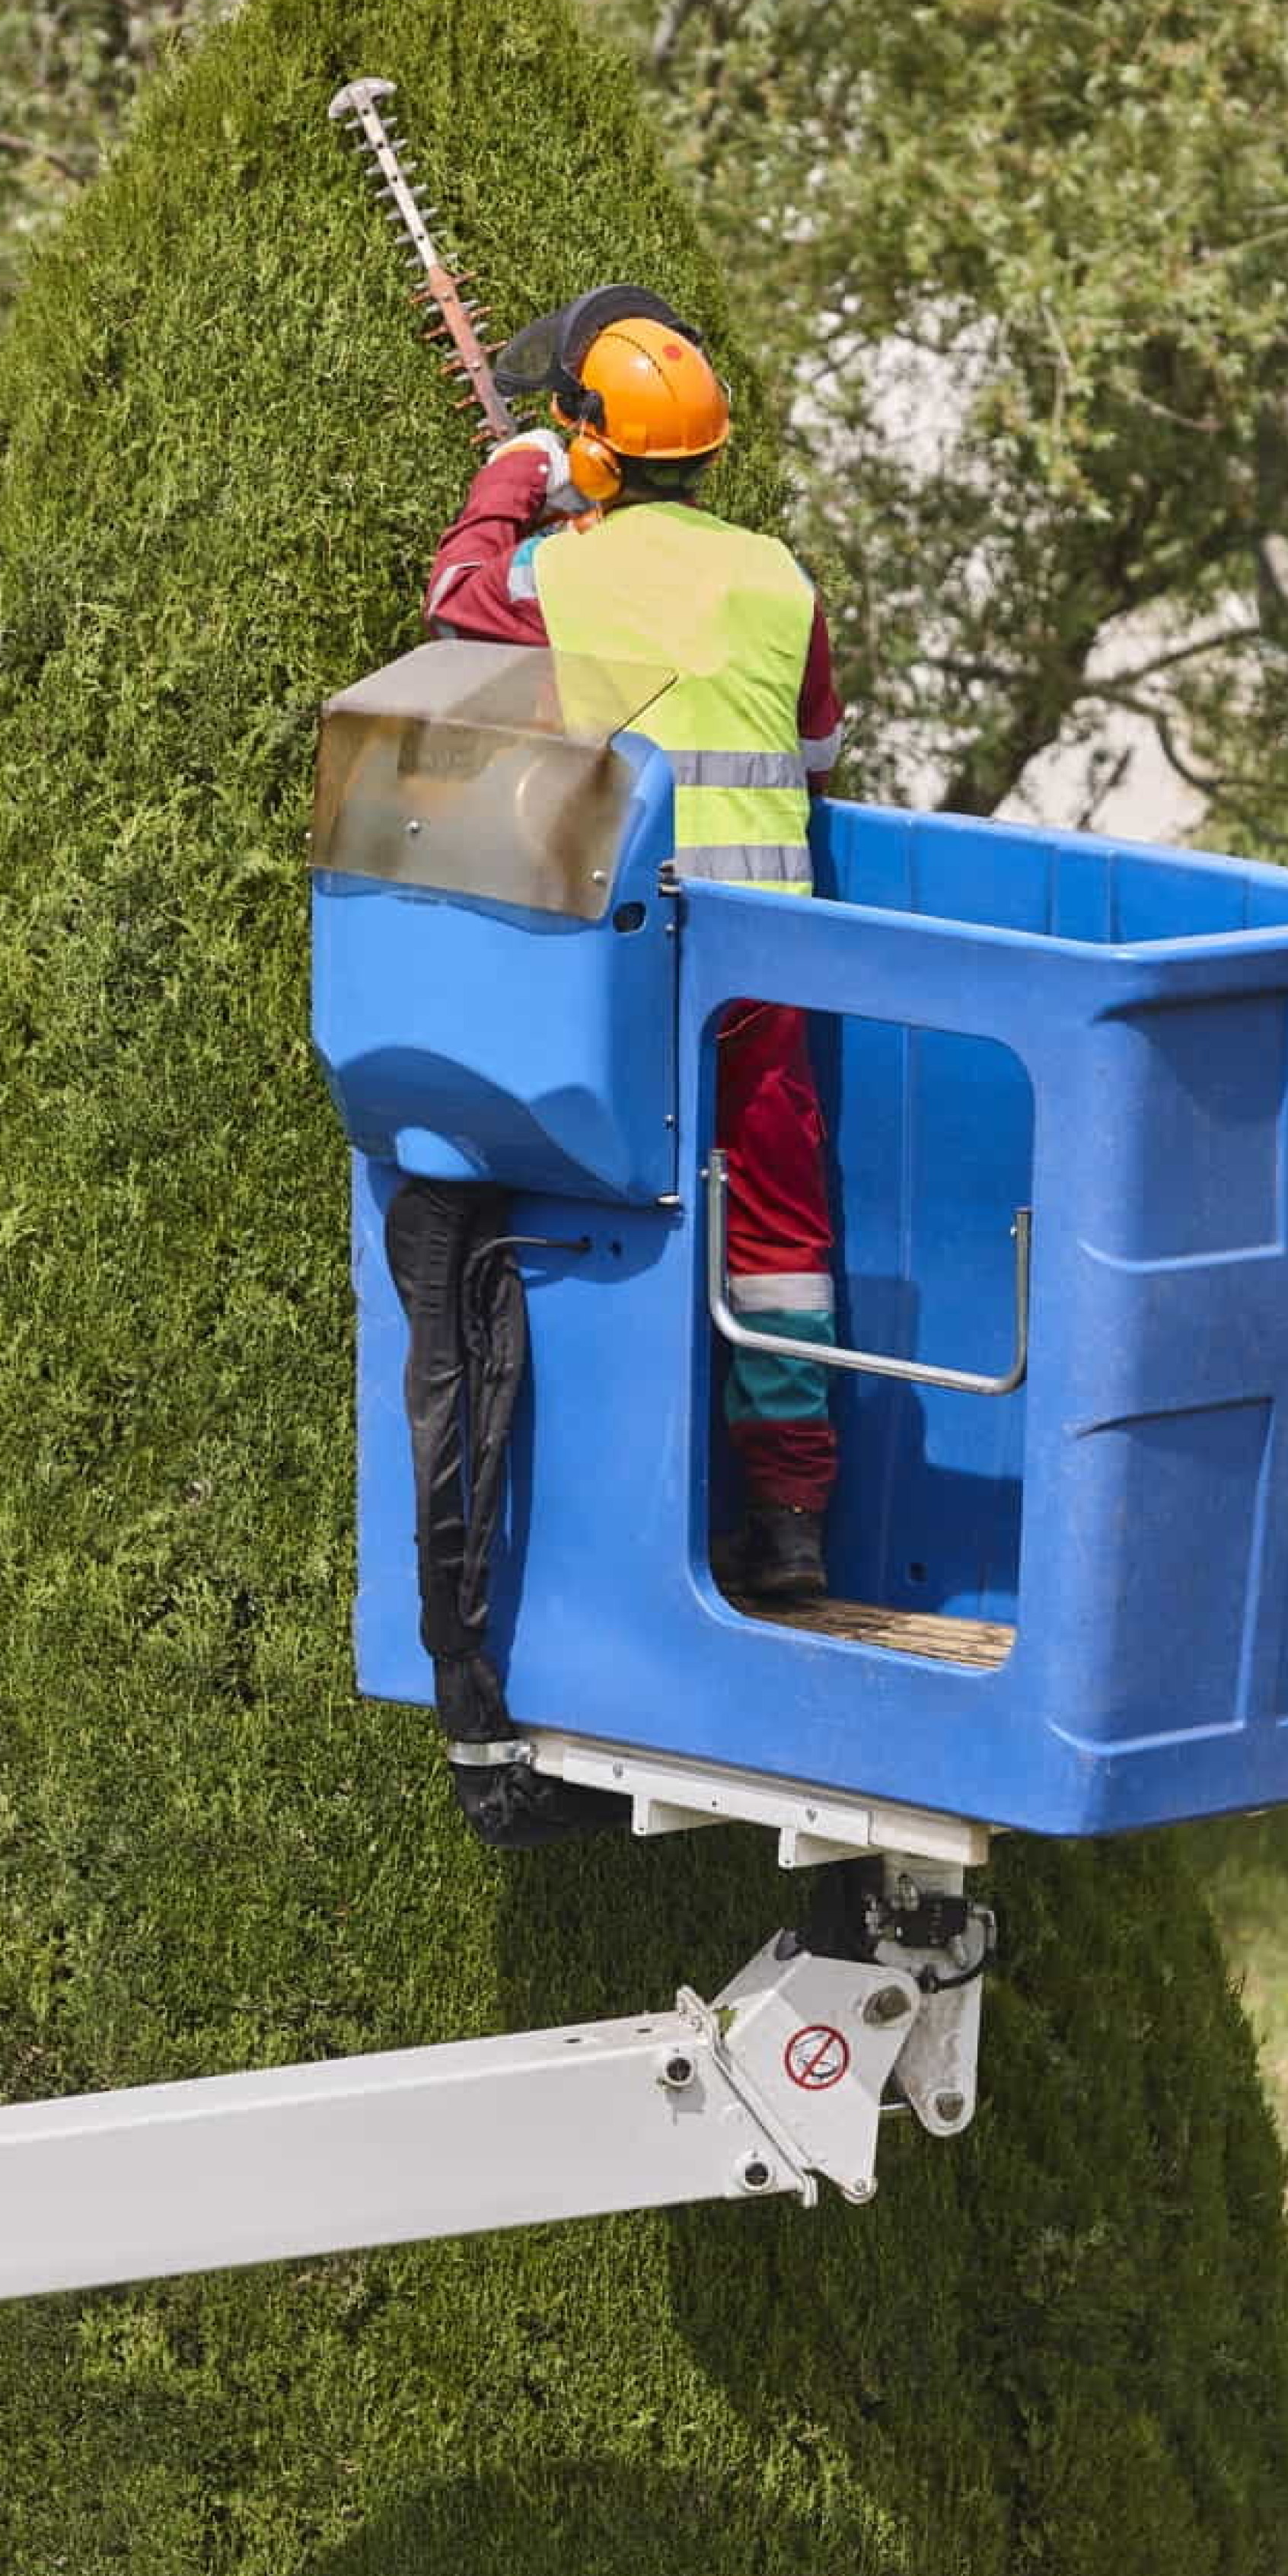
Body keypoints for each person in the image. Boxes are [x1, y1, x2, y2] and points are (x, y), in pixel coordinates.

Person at [421, 286, 844, 1602]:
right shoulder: (778, 574)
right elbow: (820, 749)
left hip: (626, 954)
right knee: (779, 1237)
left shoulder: (563, 568)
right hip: (770, 960)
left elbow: (453, 595)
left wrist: (513, 481)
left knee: (603, 1198)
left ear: (591, 443)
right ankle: (787, 1522)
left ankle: (607, 1532)